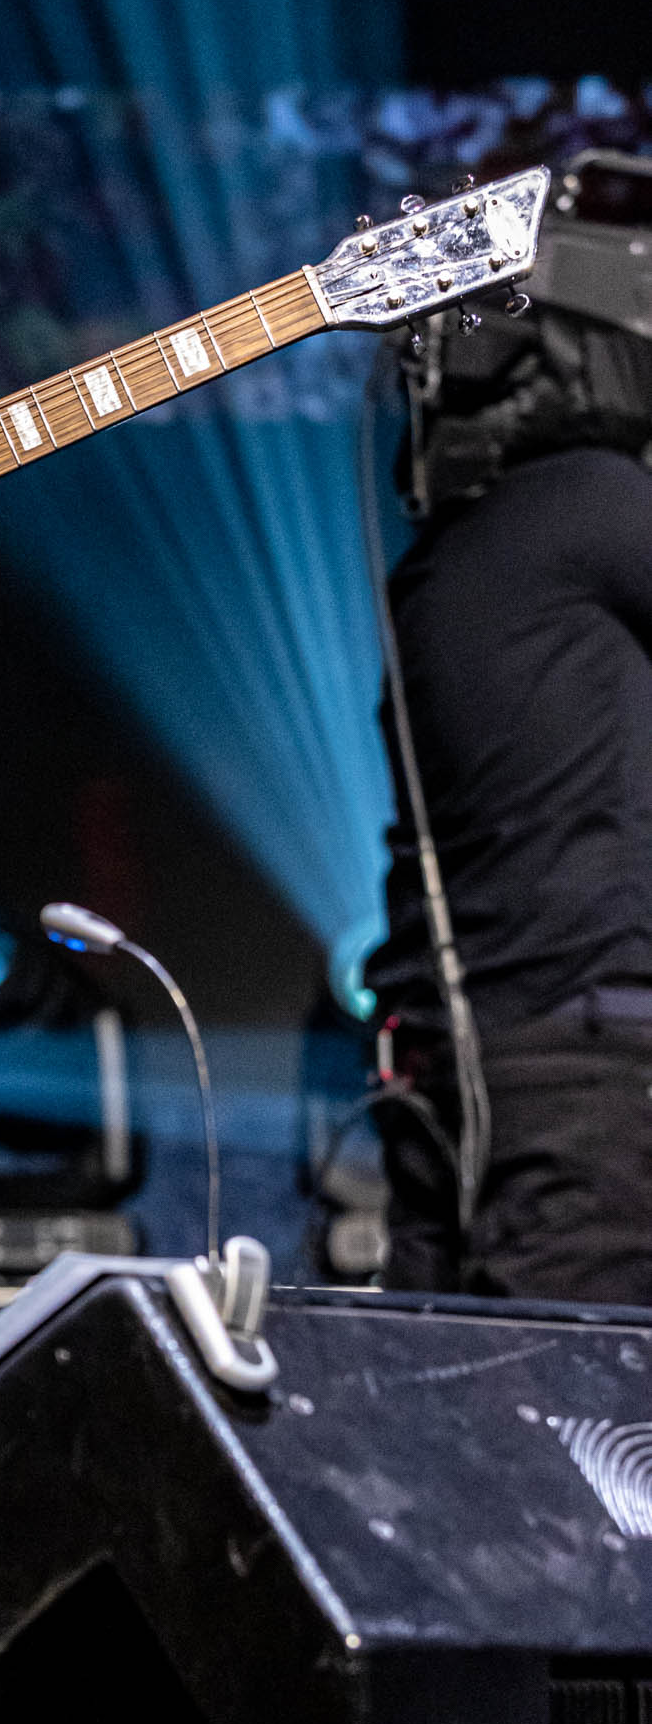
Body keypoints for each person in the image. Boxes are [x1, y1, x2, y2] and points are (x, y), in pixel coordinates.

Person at [369, 291, 652, 1305]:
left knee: (459, 1422)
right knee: (584, 1432)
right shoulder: (593, 501)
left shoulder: (442, 558)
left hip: (457, 1054)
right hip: (576, 1064)